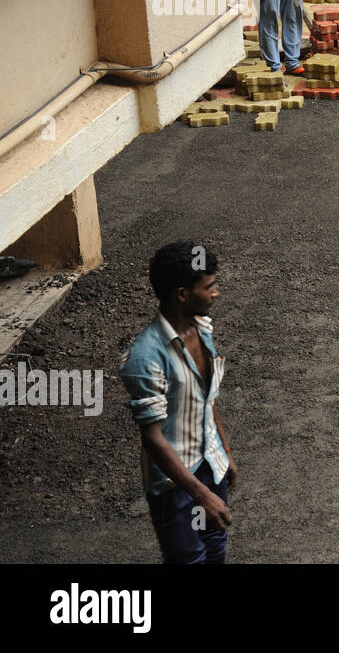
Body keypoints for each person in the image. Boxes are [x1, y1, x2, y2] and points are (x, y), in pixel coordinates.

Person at [120, 241, 235, 563]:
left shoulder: (201, 328)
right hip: (175, 485)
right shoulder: (145, 357)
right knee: (188, 559)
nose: (216, 293)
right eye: (209, 287)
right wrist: (202, 494)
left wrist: (223, 454)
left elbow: (206, 397)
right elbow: (153, 439)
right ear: (182, 294)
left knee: (215, 548)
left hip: (210, 465)